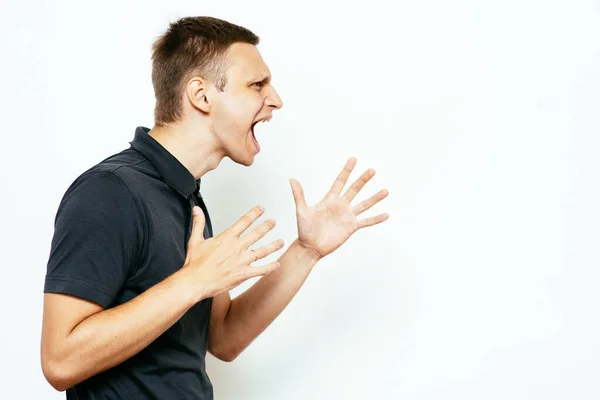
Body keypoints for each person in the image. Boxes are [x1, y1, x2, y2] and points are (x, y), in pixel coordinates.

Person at [40, 16, 389, 399]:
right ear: (201, 95)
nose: (275, 99)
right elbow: (61, 362)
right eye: (257, 85)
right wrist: (192, 281)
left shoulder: (186, 196)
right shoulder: (110, 191)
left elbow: (224, 337)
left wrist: (306, 251)